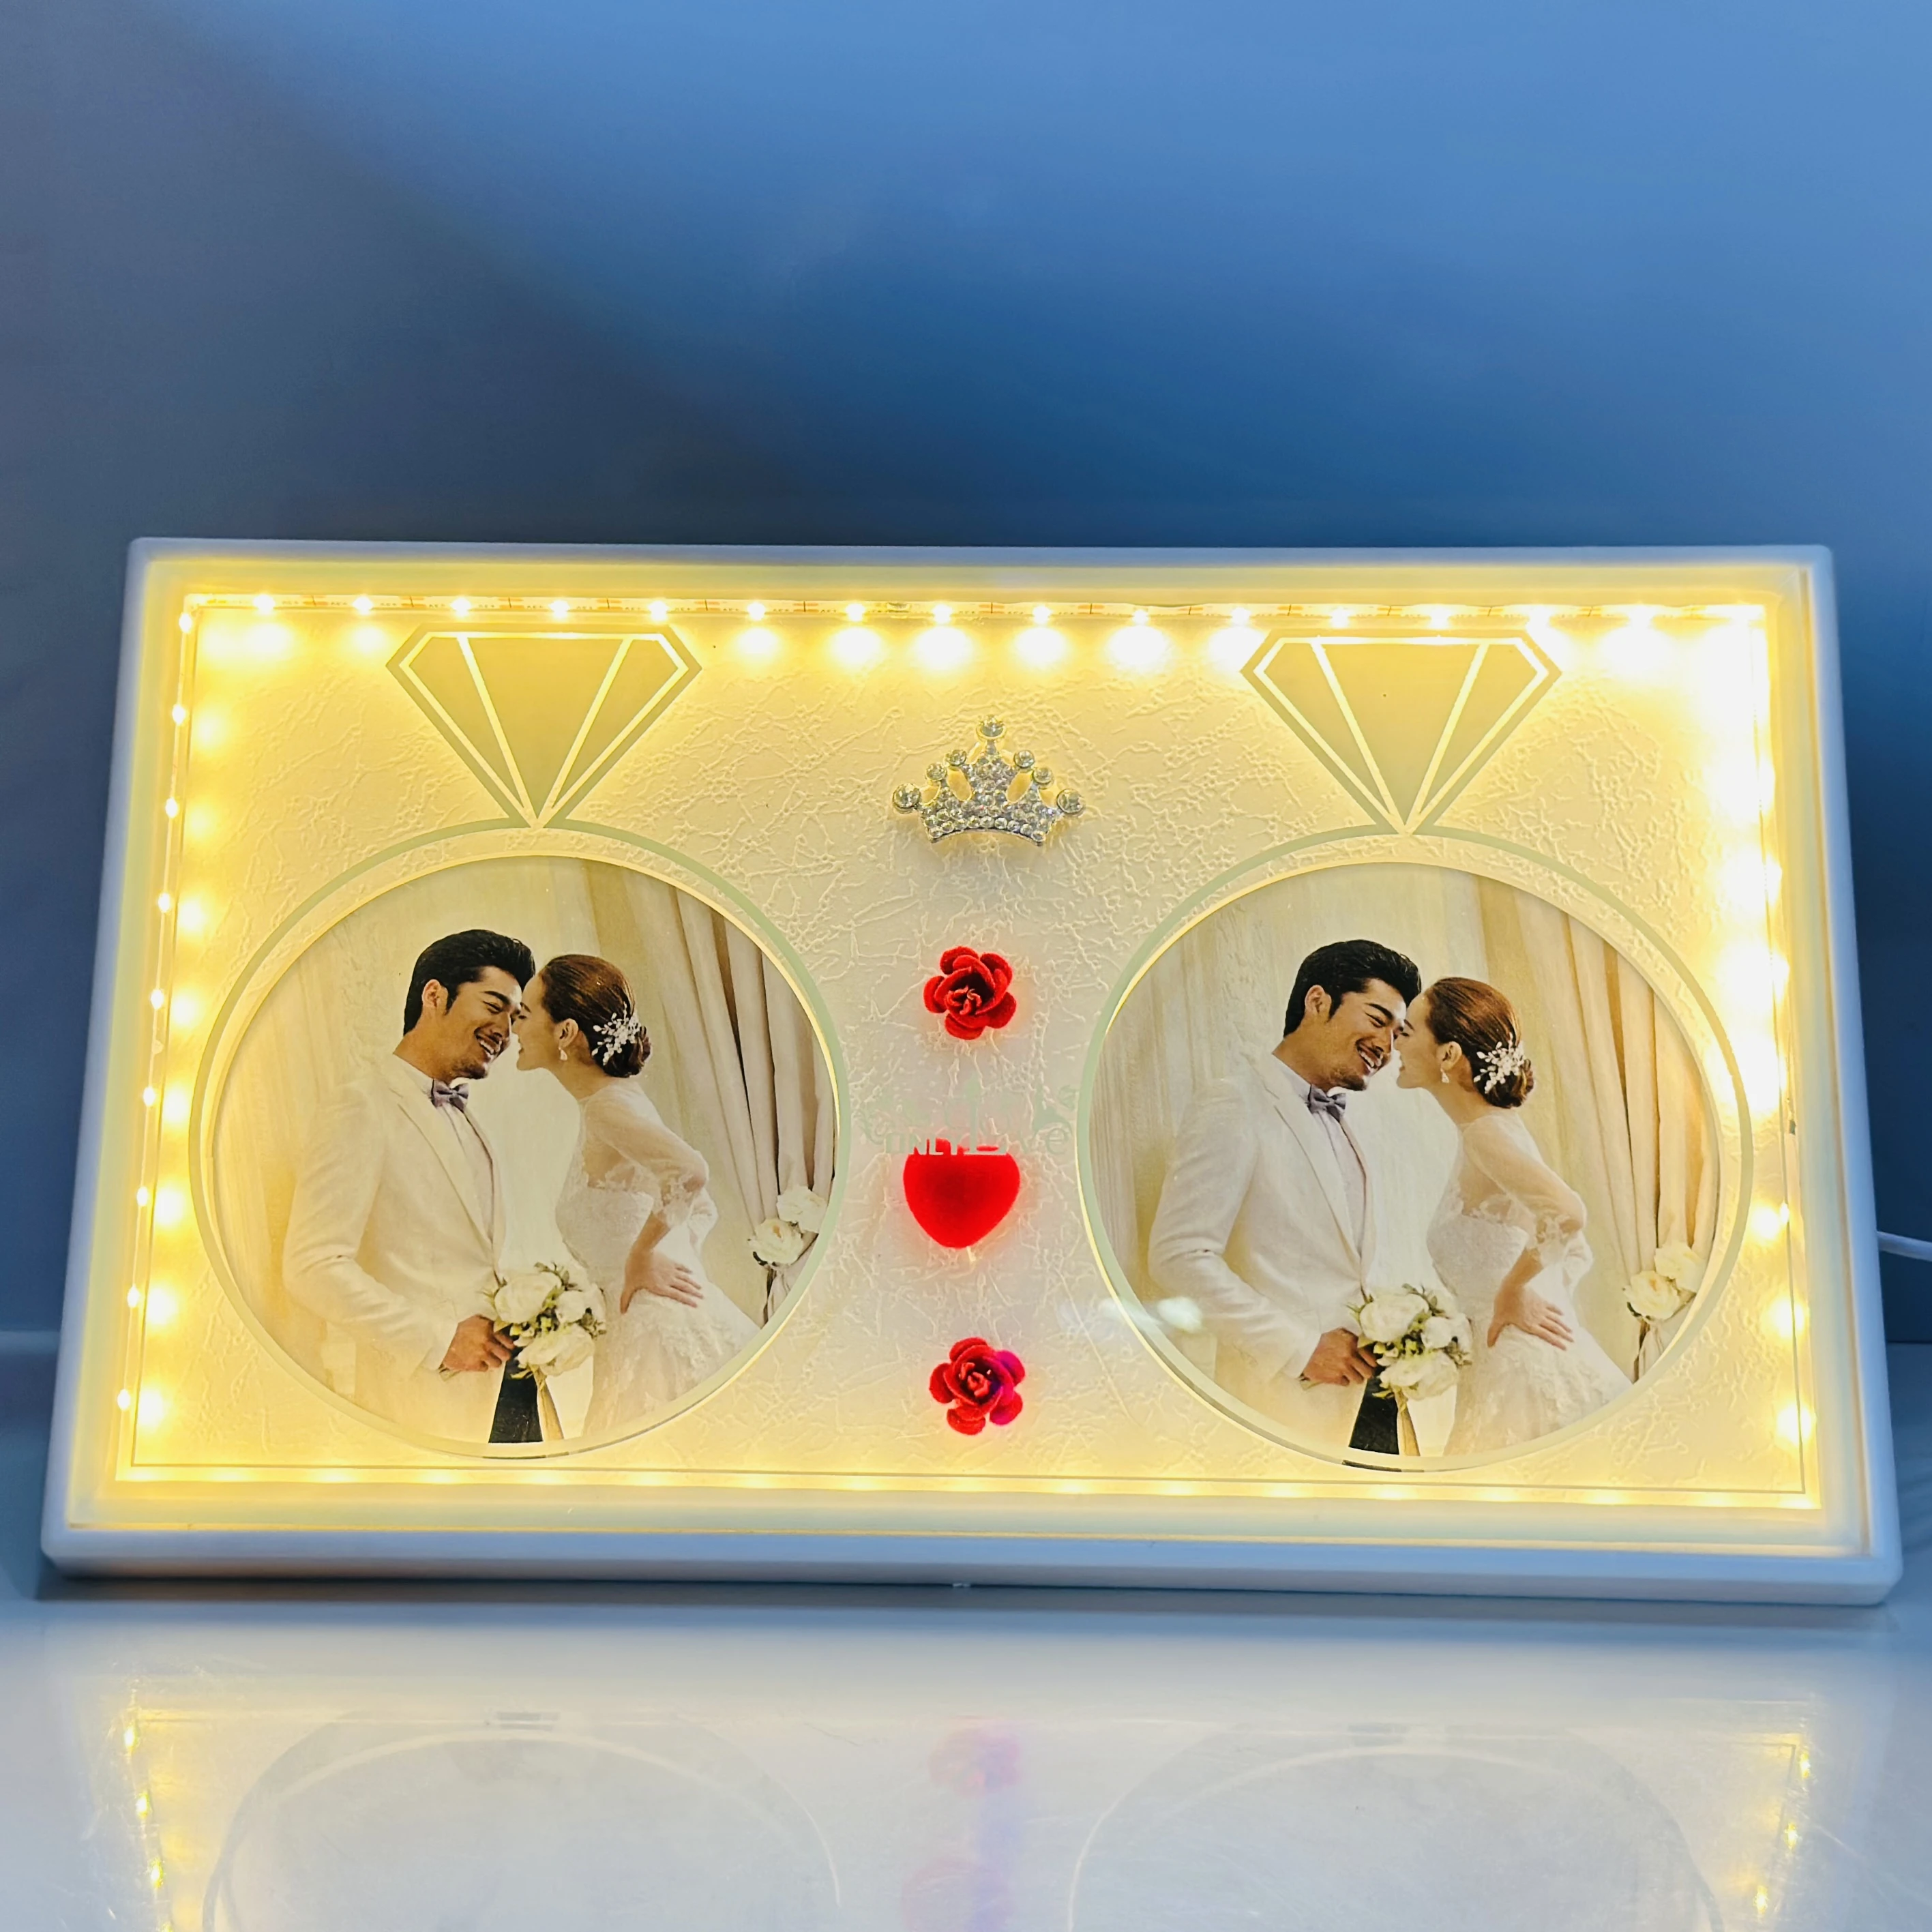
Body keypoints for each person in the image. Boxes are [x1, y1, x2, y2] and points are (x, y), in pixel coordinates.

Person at [1147, 938, 1421, 1453]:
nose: (1387, 1046)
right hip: (1284, 1408)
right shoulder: (1234, 1102)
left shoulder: (1350, 1124)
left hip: (1373, 1403)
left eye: (1396, 1033)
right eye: (1377, 1019)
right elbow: (1178, 1256)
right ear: (1317, 1001)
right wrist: (1301, 1348)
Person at [284, 928, 535, 1443]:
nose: (505, 1032)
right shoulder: (362, 1105)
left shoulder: (472, 1120)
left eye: (514, 1018)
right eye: (494, 1006)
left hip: (505, 1394)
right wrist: (439, 1340)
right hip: (423, 1402)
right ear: (435, 995)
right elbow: (312, 1265)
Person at [510, 954, 757, 1438]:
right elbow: (700, 1206)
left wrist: (644, 1255)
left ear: (565, 1032)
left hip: (656, 1336)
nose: (514, 1027)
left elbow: (690, 1173)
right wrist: (671, 1256)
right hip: (638, 1329)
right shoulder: (612, 1101)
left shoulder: (608, 1107)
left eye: (525, 1013)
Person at [1394, 976, 1629, 1453]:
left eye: (1409, 1029)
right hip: (1504, 1362)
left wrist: (1512, 1290)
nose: (1395, 1038)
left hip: (1523, 1372)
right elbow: (1573, 1252)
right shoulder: (1490, 1130)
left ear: (1448, 1054)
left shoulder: (1486, 1134)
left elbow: (1567, 1214)